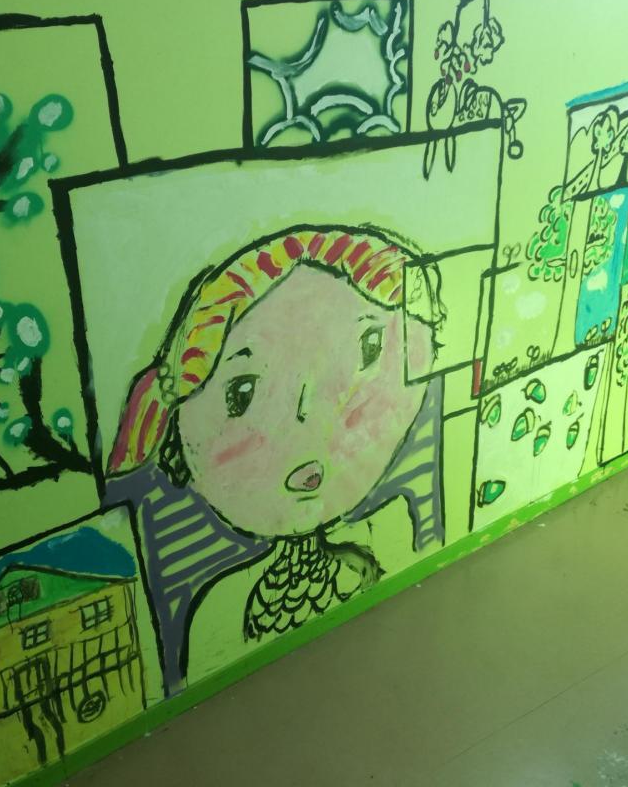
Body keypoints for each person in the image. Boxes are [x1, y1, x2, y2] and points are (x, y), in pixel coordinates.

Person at [104, 226, 445, 694]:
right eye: (241, 392)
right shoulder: (223, 602)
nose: (308, 420)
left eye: (369, 348)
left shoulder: (391, 532)